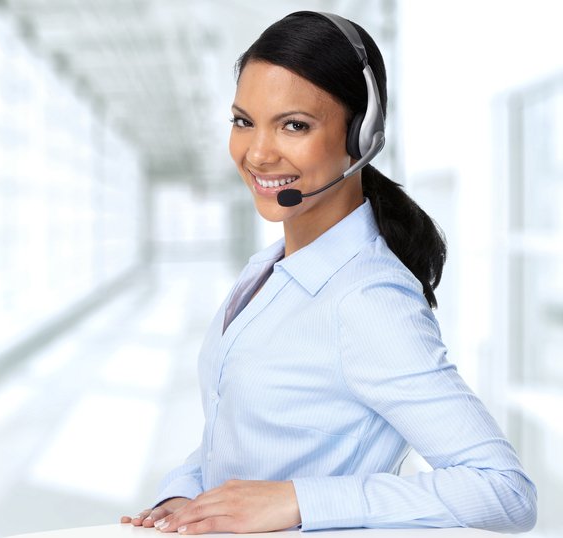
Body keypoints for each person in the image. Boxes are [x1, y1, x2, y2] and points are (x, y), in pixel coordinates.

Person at [119, 11, 537, 535]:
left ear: (360, 135)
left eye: (294, 125)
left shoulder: (368, 298)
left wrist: (299, 501)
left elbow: (504, 491)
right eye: (244, 121)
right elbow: (242, 431)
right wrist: (186, 493)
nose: (258, 153)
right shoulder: (268, 271)